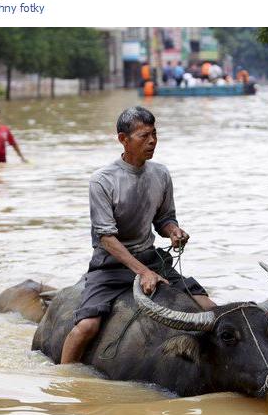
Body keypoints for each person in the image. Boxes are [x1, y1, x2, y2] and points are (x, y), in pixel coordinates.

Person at [60, 106, 216, 364]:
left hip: (152, 259)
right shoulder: (103, 180)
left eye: (155, 134)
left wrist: (173, 231)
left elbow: (164, 218)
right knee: (86, 327)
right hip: (110, 266)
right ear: (123, 139)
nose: (152, 141)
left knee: (209, 308)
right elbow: (106, 238)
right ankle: (63, 379)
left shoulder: (161, 173)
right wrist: (142, 271)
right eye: (144, 136)